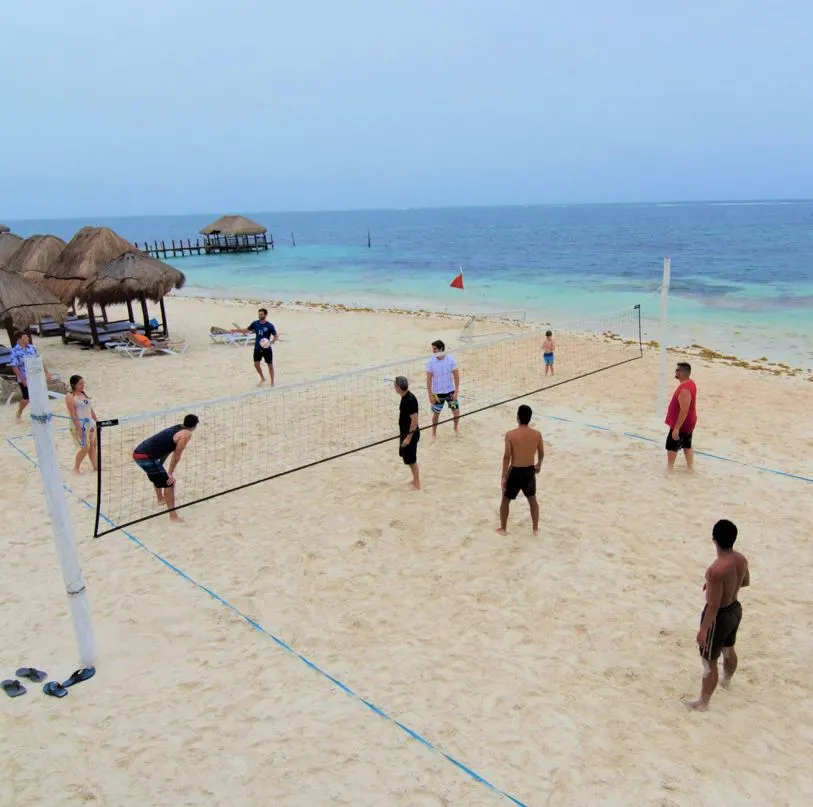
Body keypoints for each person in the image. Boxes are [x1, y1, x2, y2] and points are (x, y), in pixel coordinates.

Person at [683, 519, 750, 711]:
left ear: (714, 540)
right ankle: (727, 681)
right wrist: (718, 588)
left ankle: (703, 703)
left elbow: (712, 607)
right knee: (729, 649)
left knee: (709, 661)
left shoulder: (715, 570)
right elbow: (744, 582)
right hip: (735, 609)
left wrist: (703, 630)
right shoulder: (741, 559)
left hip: (718, 617)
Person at [132, 414, 199, 522]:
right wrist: (170, 473)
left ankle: (160, 499)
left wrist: (161, 464)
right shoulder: (186, 434)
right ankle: (173, 516)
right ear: (195, 425)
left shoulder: (178, 427)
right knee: (170, 482)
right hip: (145, 457)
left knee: (159, 474)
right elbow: (176, 455)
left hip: (140, 453)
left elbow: (166, 447)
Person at [497, 404, 544, 536]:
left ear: (517, 417)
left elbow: (507, 457)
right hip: (529, 471)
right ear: (530, 418)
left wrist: (503, 477)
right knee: (532, 500)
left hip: (515, 471)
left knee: (505, 500)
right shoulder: (537, 434)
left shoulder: (510, 435)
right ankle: (535, 529)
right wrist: (539, 464)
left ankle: (503, 529)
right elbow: (541, 453)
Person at [9, 332, 52, 421]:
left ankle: (40, 414)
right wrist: (23, 380)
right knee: (27, 398)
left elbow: (40, 360)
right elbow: (14, 367)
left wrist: (47, 372)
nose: (28, 338)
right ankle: (19, 411)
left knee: (39, 395)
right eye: (25, 337)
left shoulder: (32, 348)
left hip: (36, 376)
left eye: (27, 337)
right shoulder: (14, 351)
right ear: (19, 339)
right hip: (24, 377)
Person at [665, 361, 698, 472]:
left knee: (672, 446)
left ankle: (670, 469)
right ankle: (690, 468)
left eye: (677, 370)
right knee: (686, 445)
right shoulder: (691, 383)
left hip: (682, 424)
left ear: (682, 373)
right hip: (689, 422)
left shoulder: (685, 389)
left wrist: (677, 428)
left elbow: (684, 410)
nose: (675, 372)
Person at [232, 308, 278, 386]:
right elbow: (246, 330)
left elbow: (276, 336)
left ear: (265, 315)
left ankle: (272, 382)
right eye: (259, 314)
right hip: (257, 348)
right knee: (256, 364)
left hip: (267, 349)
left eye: (261, 314)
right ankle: (262, 378)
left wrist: (271, 342)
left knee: (270, 365)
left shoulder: (269, 326)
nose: (260, 315)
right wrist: (236, 330)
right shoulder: (255, 323)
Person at [425, 339, 460, 438]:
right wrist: (430, 395)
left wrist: (456, 392)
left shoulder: (451, 360)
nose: (433, 351)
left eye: (435, 349)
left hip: (450, 393)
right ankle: (434, 433)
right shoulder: (430, 362)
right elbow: (428, 380)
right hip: (437, 394)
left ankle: (455, 428)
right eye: (433, 349)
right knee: (436, 414)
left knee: (456, 412)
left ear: (441, 349)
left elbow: (457, 376)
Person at [65, 375, 98, 475]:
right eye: (80, 383)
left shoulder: (83, 394)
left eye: (83, 383)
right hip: (79, 424)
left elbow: (90, 410)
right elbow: (73, 414)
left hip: (90, 424)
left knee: (93, 445)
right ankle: (76, 468)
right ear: (74, 384)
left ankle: (95, 467)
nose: (82, 385)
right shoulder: (70, 396)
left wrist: (97, 421)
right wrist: (79, 429)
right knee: (85, 448)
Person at [393, 375, 420, 490]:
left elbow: (414, 421)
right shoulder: (405, 396)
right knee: (407, 458)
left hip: (411, 434)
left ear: (398, 387)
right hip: (406, 433)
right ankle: (415, 480)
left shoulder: (409, 400)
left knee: (411, 460)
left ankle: (417, 484)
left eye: (394, 385)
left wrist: (408, 438)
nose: (394, 387)